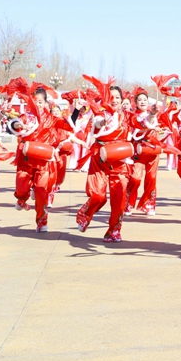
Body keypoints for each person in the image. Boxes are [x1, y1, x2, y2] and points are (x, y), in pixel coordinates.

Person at [75, 80, 134, 242]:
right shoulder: (100, 114)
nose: (114, 100)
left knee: (119, 199)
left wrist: (152, 115)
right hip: (100, 157)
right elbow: (97, 123)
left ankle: (114, 231)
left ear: (122, 100)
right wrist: (103, 122)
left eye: (117, 97)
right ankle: (85, 214)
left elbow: (142, 123)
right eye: (110, 97)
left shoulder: (128, 116)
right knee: (98, 196)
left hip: (119, 158)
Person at [10, 86, 74, 232]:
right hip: (26, 160)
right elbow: (14, 124)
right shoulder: (26, 117)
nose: (37, 104)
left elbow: (68, 126)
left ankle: (42, 221)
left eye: (40, 102)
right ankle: (22, 198)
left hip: (43, 161)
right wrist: (18, 124)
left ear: (45, 103)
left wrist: (75, 110)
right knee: (21, 189)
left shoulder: (51, 119)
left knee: (41, 191)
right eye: (35, 101)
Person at [125, 89, 162, 216]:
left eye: (144, 100)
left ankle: (148, 204)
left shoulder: (156, 114)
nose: (142, 102)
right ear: (135, 103)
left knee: (151, 178)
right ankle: (129, 203)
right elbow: (140, 126)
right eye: (139, 100)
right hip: (139, 151)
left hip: (153, 149)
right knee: (135, 178)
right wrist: (151, 119)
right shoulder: (133, 116)